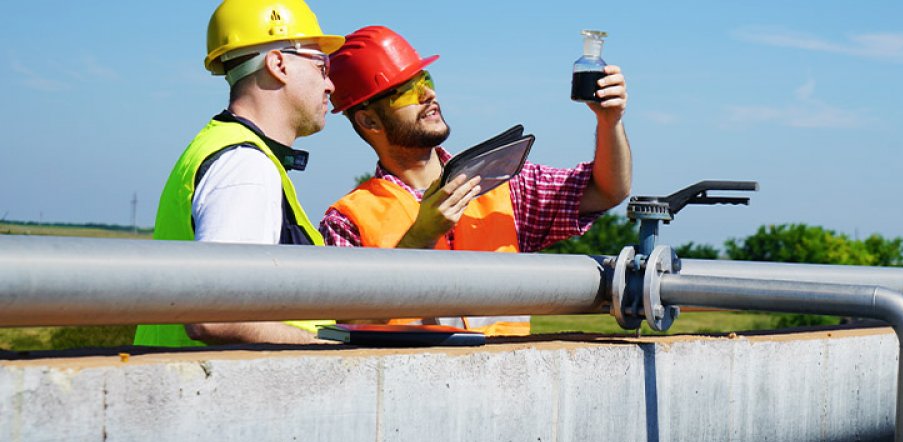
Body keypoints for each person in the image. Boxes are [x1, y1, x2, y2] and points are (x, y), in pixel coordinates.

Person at [321, 26, 632, 335]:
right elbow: (352, 325)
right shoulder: (346, 220)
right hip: (414, 382)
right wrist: (419, 238)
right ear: (369, 120)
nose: (428, 94)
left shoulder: (502, 182)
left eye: (425, 80)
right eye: (407, 90)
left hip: (505, 377)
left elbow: (606, 190)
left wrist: (610, 122)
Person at [134, 0, 343, 347]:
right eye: (322, 66)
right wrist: (325, 352)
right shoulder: (245, 166)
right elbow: (214, 315)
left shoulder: (224, 147)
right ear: (278, 64)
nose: (330, 85)